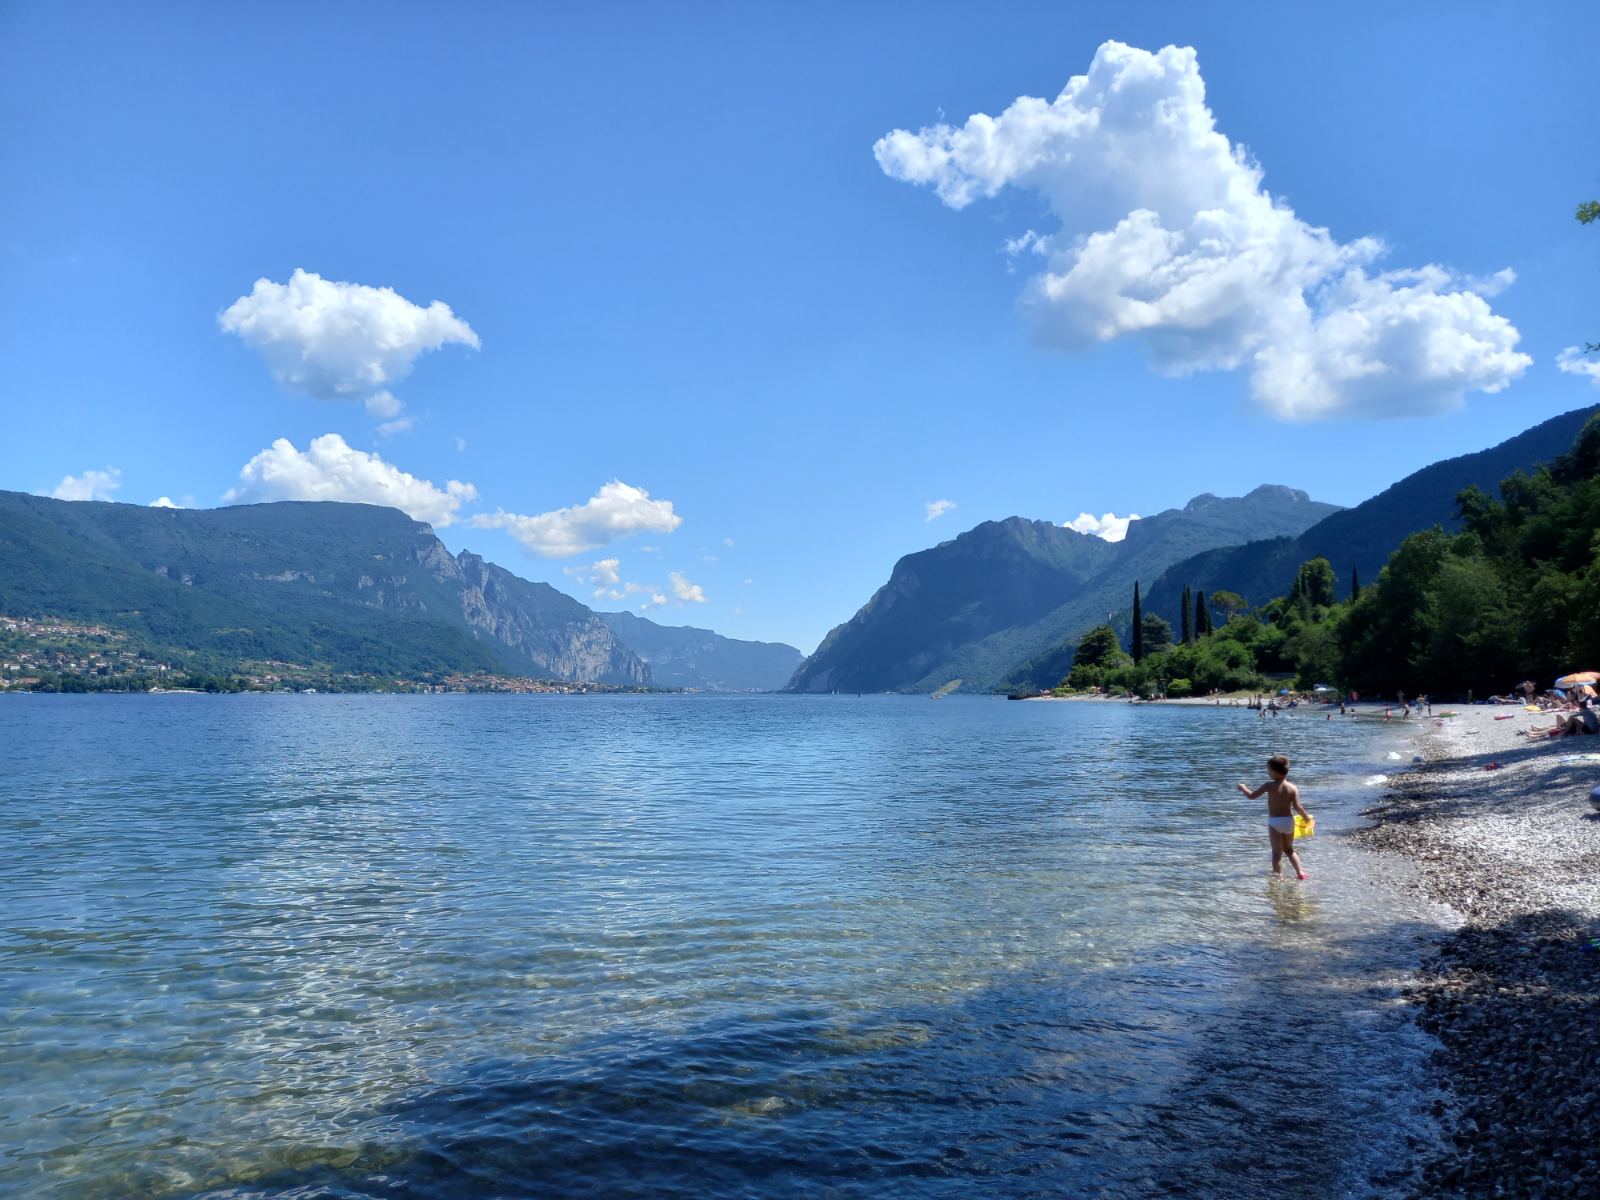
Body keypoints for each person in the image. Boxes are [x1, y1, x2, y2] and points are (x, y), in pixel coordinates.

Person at [1237, 754, 1311, 880]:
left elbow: (1252, 796)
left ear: (1274, 771)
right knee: (1289, 850)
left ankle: (1279, 878)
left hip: (1274, 822)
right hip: (1288, 821)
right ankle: (1300, 872)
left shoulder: (1269, 785)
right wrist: (1306, 818)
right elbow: (1297, 806)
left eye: (1268, 770)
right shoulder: (1292, 787)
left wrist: (1243, 788)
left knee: (1277, 854)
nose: (1268, 772)